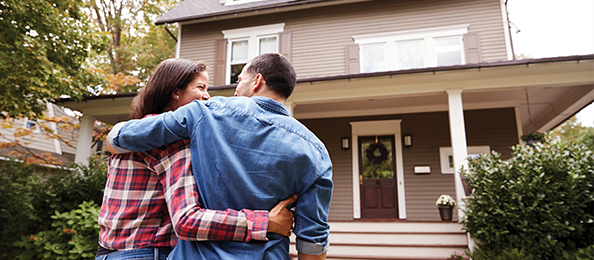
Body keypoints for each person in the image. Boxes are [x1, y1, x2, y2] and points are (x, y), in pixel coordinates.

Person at [108, 53, 333, 259]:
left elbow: (128, 135)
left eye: (239, 81)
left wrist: (113, 137)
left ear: (257, 81)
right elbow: (313, 239)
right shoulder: (316, 151)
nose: (235, 89)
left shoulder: (204, 112)